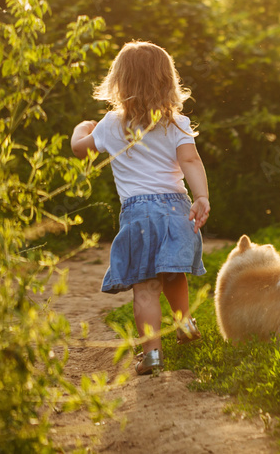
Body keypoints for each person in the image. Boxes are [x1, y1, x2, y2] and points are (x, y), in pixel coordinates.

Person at [71, 41, 211, 375]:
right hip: (177, 208)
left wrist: (81, 129)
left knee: (146, 289)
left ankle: (151, 356)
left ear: (119, 82)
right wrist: (202, 196)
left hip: (138, 215)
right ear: (168, 80)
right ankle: (185, 324)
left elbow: (80, 150)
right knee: (174, 273)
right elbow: (190, 160)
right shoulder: (177, 123)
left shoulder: (110, 124)